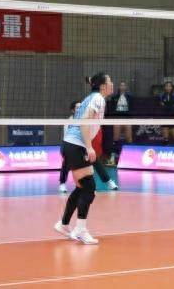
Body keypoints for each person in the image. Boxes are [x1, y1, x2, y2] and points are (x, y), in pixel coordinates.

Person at [54, 74, 114, 245]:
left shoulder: (92, 97)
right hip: (76, 146)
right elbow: (84, 122)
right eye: (109, 81)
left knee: (82, 187)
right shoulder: (98, 99)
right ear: (103, 86)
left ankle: (63, 224)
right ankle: (80, 230)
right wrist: (89, 146)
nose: (112, 84)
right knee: (89, 187)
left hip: (71, 145)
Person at [59, 101, 118, 194]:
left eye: (81, 107)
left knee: (95, 160)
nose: (80, 109)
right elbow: (68, 137)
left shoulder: (86, 119)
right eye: (77, 107)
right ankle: (62, 183)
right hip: (71, 145)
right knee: (66, 162)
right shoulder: (69, 122)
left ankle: (109, 182)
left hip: (83, 145)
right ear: (73, 110)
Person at [107, 82, 133, 164]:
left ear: (126, 87)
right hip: (117, 119)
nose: (122, 87)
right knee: (116, 138)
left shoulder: (130, 97)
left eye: (124, 85)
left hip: (127, 119)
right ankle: (113, 157)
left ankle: (130, 156)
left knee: (129, 138)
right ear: (119, 87)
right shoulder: (114, 97)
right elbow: (111, 109)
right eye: (121, 85)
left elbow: (133, 108)